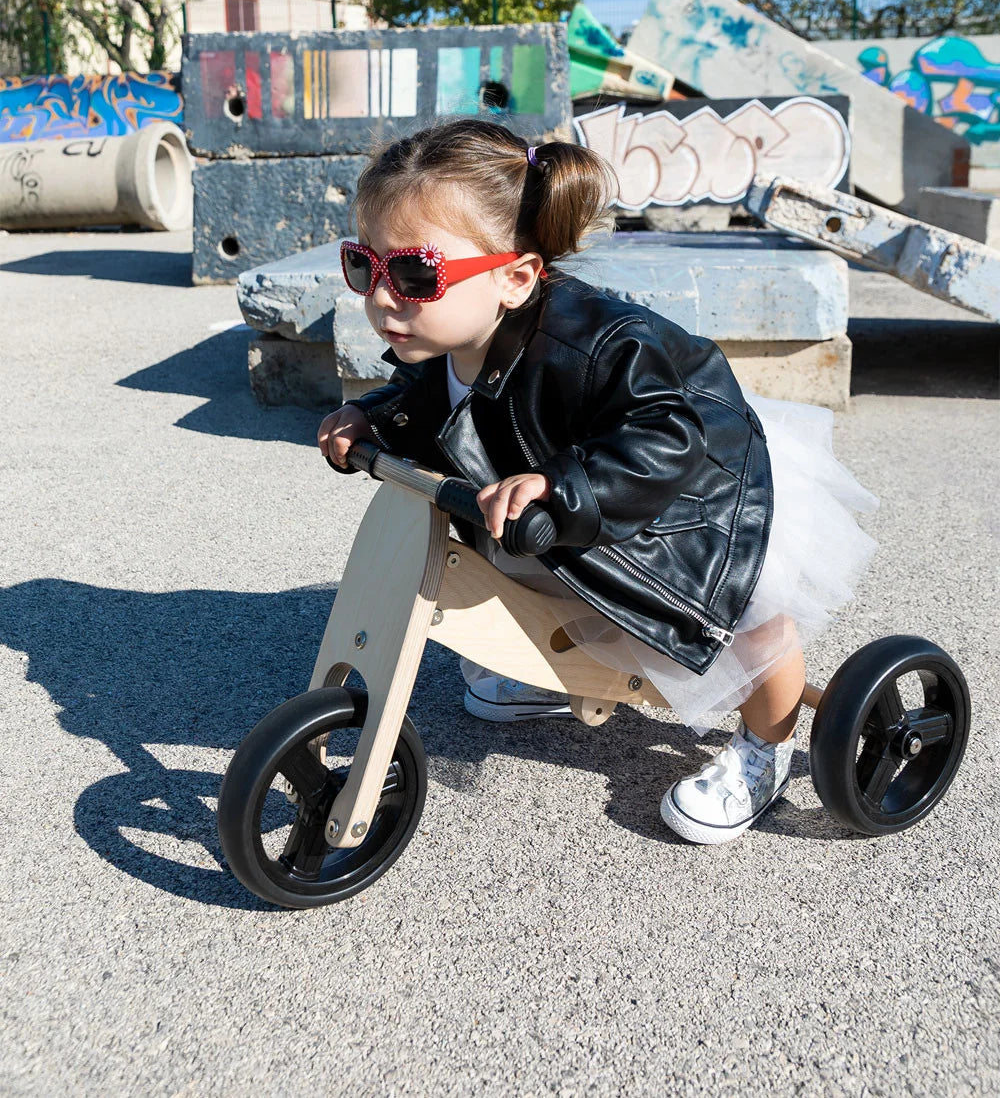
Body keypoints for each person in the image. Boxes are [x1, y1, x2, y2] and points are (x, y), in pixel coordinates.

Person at [318, 118, 878, 845]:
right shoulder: (444, 337)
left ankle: (764, 748)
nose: (384, 298)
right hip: (582, 488)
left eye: (417, 274)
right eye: (366, 266)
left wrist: (563, 488)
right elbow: (431, 400)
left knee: (751, 620)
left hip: (696, 498)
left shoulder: (600, 344)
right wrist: (373, 417)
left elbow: (669, 436)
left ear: (515, 278)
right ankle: (552, 672)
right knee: (511, 553)